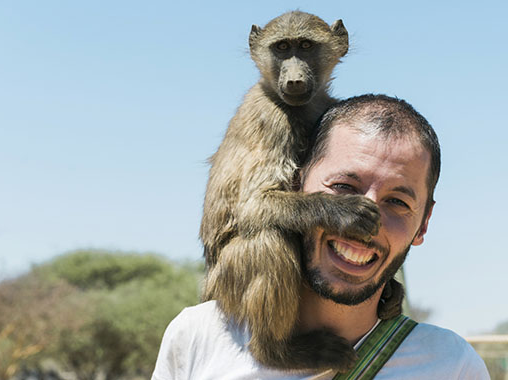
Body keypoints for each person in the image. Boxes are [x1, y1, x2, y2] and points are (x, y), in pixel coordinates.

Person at [152, 94, 490, 379]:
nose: (365, 223)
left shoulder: (451, 366)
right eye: (343, 187)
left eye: (397, 202)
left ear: (424, 223)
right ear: (296, 184)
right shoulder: (198, 337)